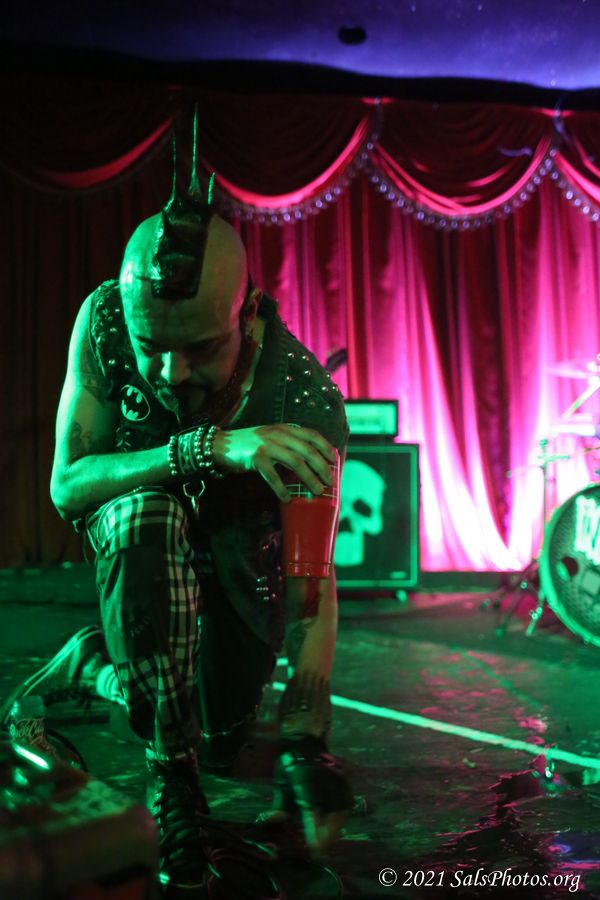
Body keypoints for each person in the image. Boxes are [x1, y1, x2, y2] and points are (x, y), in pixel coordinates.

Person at [4, 134, 352, 891]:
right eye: (152, 347)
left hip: (238, 587)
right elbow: (68, 485)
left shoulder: (301, 402)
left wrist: (305, 741)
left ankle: (95, 666)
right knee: (147, 518)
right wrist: (203, 450)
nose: (170, 372)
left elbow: (311, 588)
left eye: (199, 349)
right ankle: (172, 780)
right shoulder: (103, 319)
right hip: (141, 554)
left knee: (218, 737)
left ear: (247, 313)